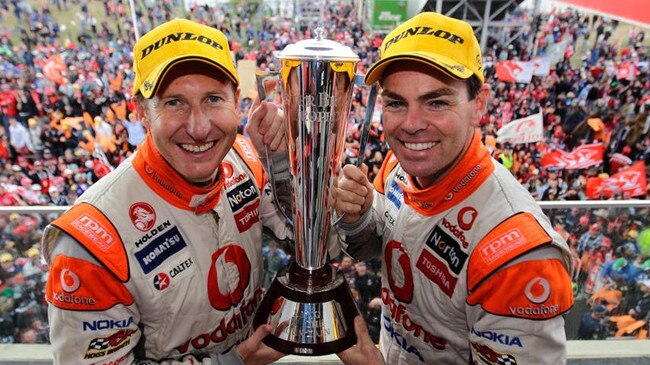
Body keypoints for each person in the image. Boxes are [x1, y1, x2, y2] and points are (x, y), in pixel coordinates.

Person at [42, 19, 293, 364]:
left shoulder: (247, 158)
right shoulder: (91, 245)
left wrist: (281, 163)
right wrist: (232, 362)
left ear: (237, 100)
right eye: (174, 103)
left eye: (213, 99)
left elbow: (318, 245)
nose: (200, 127)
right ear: (141, 112)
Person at [333, 12, 574, 364]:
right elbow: (376, 244)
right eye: (396, 102)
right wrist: (360, 214)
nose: (411, 125)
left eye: (437, 102)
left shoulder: (517, 255)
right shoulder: (397, 166)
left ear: (480, 104)